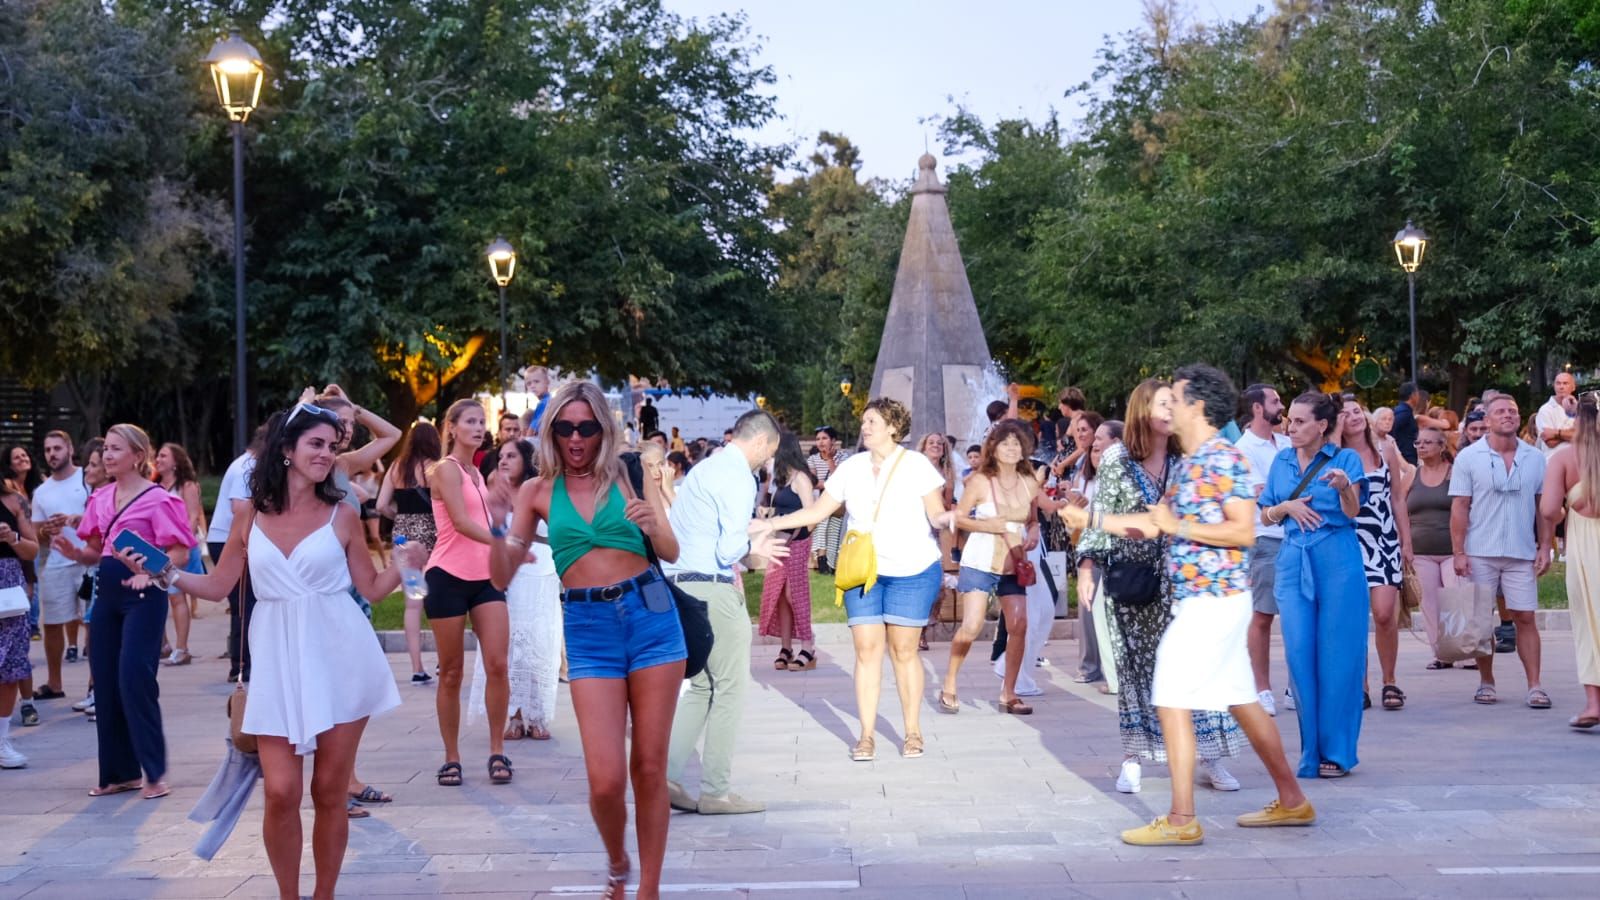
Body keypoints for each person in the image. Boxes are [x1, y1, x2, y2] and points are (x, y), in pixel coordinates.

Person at [125, 403, 409, 900]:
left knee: (328, 792)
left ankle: (323, 895)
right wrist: (161, 572)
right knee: (281, 791)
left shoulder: (343, 513)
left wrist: (408, 562)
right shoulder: (248, 514)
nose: (327, 453)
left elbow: (372, 587)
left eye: (332, 445)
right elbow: (216, 586)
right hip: (277, 659)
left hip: (343, 657)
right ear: (286, 451)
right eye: (316, 444)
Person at [1069, 364, 1314, 845]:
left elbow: (1241, 530)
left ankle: (1182, 820)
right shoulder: (1194, 459)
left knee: (1170, 695)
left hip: (1211, 602)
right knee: (1243, 702)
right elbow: (1157, 523)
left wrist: (1180, 527)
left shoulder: (1220, 458)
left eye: (1175, 398)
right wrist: (1093, 517)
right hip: (1210, 602)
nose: (1168, 406)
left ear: (1197, 406)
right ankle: (1292, 801)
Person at [490, 381, 684, 900]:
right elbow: (500, 575)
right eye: (565, 428)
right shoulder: (534, 492)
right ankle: (618, 860)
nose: (576, 438)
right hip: (588, 629)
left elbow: (670, 549)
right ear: (551, 431)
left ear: (603, 428)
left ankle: (649, 887)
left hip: (651, 617)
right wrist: (497, 528)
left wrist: (651, 521)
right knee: (604, 781)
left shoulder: (631, 472)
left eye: (586, 428)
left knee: (649, 765)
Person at [1068, 380, 1242, 794]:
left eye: (1174, 404)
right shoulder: (1117, 459)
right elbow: (1102, 513)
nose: (1170, 410)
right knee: (1137, 670)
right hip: (1135, 582)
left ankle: (1211, 756)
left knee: (1200, 668)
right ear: (1143, 410)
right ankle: (1134, 757)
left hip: (1187, 581)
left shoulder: (1190, 456)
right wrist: (1088, 567)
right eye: (1162, 404)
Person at [757, 398, 953, 762]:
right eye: (864, 421)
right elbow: (817, 510)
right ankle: (866, 736)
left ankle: (912, 731)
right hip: (863, 571)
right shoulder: (851, 468)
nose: (865, 427)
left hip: (911, 571)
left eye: (873, 421)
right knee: (866, 651)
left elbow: (937, 514)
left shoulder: (917, 465)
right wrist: (770, 523)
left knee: (904, 651)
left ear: (893, 427)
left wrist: (949, 521)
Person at [52, 424, 195, 798]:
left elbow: (180, 551)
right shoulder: (100, 498)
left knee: (135, 678)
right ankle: (118, 773)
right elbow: (95, 551)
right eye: (106, 450)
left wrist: (154, 576)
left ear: (138, 455)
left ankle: (154, 773)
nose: (108, 456)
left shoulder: (160, 500)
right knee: (106, 680)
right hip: (108, 594)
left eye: (116, 449)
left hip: (145, 597)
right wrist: (75, 554)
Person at [664, 410, 785, 815]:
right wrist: (754, 548)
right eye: (770, 454)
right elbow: (726, 549)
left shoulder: (705, 468)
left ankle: (667, 776)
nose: (767, 462)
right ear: (761, 443)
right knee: (730, 688)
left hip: (682, 585)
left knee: (702, 686)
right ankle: (716, 790)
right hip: (713, 588)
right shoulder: (739, 476)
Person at [1258, 393, 1369, 778]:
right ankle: (1310, 751)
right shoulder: (1282, 461)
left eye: (1301, 421)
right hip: (1292, 560)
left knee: (1339, 656)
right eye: (1290, 420)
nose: (1292, 427)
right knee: (1300, 655)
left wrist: (1343, 488)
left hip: (1338, 558)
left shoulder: (1346, 460)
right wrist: (1285, 508)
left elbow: (1354, 512)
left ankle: (1336, 752)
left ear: (1322, 425)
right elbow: (1266, 515)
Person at [425, 399, 512, 785]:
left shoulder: (477, 472)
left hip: (486, 579)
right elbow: (459, 523)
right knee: (451, 672)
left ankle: (498, 751)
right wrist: (501, 542)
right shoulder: (444, 470)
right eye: (471, 422)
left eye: (482, 421)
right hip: (447, 576)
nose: (479, 428)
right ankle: (451, 756)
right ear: (452, 428)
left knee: (497, 664)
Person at [1451, 394, 1548, 708]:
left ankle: (1534, 686)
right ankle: (1486, 681)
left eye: (1513, 411)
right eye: (1500, 412)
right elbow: (1460, 507)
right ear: (1487, 420)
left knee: (1525, 617)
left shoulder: (1535, 457)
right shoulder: (1469, 457)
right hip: (1480, 550)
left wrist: (1545, 546)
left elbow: (1542, 507)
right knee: (1481, 620)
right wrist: (1459, 552)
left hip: (1521, 551)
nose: (1508, 415)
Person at [941, 420, 1042, 715]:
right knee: (971, 626)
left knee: (1019, 625)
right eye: (1005, 443)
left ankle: (1009, 692)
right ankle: (949, 681)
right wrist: (987, 524)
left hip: (1014, 561)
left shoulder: (1029, 481)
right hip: (981, 560)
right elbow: (958, 518)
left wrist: (1034, 531)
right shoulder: (980, 481)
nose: (1012, 448)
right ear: (993, 448)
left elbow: (1033, 518)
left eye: (1017, 443)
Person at [470, 438, 559, 742]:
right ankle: (514, 715)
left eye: (511, 456)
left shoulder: (542, 488)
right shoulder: (494, 491)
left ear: (527, 460)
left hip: (542, 569)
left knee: (539, 643)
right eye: (501, 456)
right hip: (509, 572)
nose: (504, 460)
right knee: (510, 646)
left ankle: (537, 715)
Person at [1339, 396, 1414, 711]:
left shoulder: (1384, 449)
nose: (1354, 416)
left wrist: (1406, 541)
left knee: (1384, 614)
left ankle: (1390, 680)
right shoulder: (1336, 456)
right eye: (1346, 413)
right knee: (1354, 619)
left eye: (1357, 410)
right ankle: (1361, 685)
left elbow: (1397, 497)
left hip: (1383, 539)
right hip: (1348, 540)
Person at [1539, 389, 1600, 729]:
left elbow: (1548, 510)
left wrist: (1564, 509)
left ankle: (1594, 704)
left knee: (1589, 621)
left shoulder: (1563, 458)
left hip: (1586, 549)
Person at [1234, 384, 1291, 715]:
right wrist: (1292, 497)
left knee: (1297, 615)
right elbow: (1261, 493)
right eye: (1275, 400)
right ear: (1257, 408)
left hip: (1295, 536)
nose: (1280, 405)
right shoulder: (1243, 448)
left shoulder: (1285, 442)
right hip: (1265, 537)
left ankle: (1293, 688)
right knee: (1263, 616)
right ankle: (1262, 688)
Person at [376, 421, 441, 685]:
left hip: (403, 538)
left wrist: (400, 517)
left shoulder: (396, 467)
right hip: (434, 538)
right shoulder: (437, 468)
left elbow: (381, 505)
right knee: (438, 600)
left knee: (413, 604)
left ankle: (417, 667)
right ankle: (443, 660)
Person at [29, 432, 89, 704]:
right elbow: (35, 534)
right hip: (57, 562)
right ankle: (54, 683)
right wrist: (46, 530)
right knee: (52, 622)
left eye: (57, 448)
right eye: (47, 449)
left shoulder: (87, 478)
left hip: (89, 559)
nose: (52, 454)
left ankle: (94, 686)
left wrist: (77, 521)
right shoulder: (41, 492)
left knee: (94, 623)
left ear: (70, 449)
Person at [207, 428, 263, 686]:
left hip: (229, 537)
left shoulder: (244, 463)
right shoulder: (248, 467)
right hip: (230, 539)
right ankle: (243, 666)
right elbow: (240, 507)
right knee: (246, 604)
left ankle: (242, 664)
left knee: (245, 604)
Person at [758, 431, 817, 672]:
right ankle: (785, 647)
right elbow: (778, 508)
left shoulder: (801, 478)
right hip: (781, 542)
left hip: (797, 542)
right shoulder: (781, 478)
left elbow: (811, 514)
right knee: (780, 595)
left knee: (795, 594)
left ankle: (807, 646)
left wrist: (799, 537)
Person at [1070, 419, 1121, 689]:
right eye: (1094, 444)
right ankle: (1095, 668)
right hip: (1093, 549)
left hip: (1116, 551)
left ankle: (1116, 677)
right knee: (1093, 612)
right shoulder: (1087, 476)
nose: (1094, 445)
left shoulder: (1122, 472)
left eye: (1100, 440)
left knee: (1107, 614)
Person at [1404, 428, 1461, 668]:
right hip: (1420, 550)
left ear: (1441, 446)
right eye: (1418, 442)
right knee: (1429, 604)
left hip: (1452, 549)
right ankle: (1440, 654)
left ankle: (1463, 652)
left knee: (1457, 598)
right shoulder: (1411, 475)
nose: (1421, 446)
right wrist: (1404, 544)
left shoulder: (1455, 473)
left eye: (1428, 442)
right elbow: (1400, 510)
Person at [0, 474, 41, 768]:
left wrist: (11, 537)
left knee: (10, 667)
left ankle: (2, 742)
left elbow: (33, 549)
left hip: (8, 588)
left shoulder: (14, 501)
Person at [155, 443, 206, 668]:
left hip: (181, 547)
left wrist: (181, 544)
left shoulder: (187, 486)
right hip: (159, 547)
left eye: (163, 456)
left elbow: (193, 517)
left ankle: (181, 648)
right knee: (157, 595)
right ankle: (164, 645)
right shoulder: (155, 486)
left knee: (176, 596)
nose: (158, 459)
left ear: (176, 461)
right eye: (158, 455)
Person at [806, 426, 851, 574]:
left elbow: (841, 480)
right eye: (818, 439)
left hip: (838, 503)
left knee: (834, 530)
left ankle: (831, 564)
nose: (820, 442)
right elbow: (813, 482)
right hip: (822, 501)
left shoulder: (844, 457)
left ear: (833, 440)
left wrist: (831, 461)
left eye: (824, 438)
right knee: (822, 524)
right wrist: (830, 484)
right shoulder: (812, 459)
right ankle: (821, 559)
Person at [1392, 381, 1449, 465]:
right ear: (1413, 395)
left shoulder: (1401, 411)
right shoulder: (1404, 413)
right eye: (1417, 394)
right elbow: (1391, 430)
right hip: (1406, 458)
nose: (1418, 397)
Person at [1536, 372, 1579, 459]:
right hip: (1553, 462)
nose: (1561, 386)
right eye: (1558, 383)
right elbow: (1550, 442)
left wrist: (1556, 433)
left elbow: (1585, 438)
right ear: (1554, 386)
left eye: (1565, 383)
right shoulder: (1545, 410)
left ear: (1573, 387)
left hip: (1577, 462)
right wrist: (1573, 432)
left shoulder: (1580, 409)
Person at [522, 365, 554, 436]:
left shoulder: (544, 403)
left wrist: (526, 439)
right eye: (529, 383)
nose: (532, 386)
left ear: (547, 382)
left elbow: (533, 429)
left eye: (536, 381)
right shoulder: (547, 401)